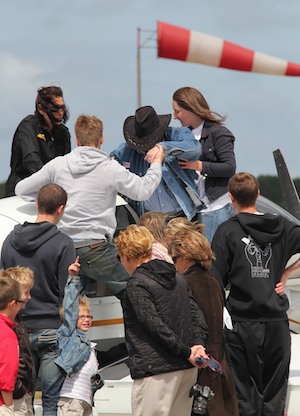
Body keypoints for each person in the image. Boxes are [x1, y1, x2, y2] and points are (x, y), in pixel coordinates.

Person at [15, 114, 164, 297]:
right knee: (137, 291)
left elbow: (21, 189)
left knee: (72, 307)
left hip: (64, 250)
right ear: (101, 139)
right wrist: (157, 164)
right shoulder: (111, 168)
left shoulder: (58, 165)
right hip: (97, 250)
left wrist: (48, 199)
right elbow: (143, 190)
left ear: (77, 140)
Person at [211, 172, 300, 416]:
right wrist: (286, 273)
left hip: (241, 324)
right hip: (276, 322)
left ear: (231, 198)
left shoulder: (227, 231)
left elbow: (213, 279)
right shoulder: (282, 227)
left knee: (245, 395)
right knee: (274, 395)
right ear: (258, 194)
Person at [114, 224, 209, 416]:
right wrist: (198, 345)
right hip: (186, 368)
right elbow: (197, 315)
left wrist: (186, 351)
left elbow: (154, 325)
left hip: (156, 370)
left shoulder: (137, 283)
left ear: (126, 255)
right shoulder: (177, 276)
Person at [1, 183, 76, 416]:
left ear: (36, 204)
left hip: (17, 329)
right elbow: (67, 291)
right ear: (61, 209)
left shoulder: (10, 241)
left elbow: (3, 286)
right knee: (52, 401)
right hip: (51, 327)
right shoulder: (64, 243)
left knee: (24, 398)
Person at [168, 228, 239, 416]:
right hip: (218, 360)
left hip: (200, 361)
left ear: (186, 255)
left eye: (174, 259)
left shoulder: (185, 283)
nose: (174, 264)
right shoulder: (213, 281)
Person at [111, 105, 204, 220]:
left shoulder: (177, 134)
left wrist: (163, 148)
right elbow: (109, 164)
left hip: (181, 216)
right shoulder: (126, 151)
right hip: (147, 219)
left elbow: (195, 148)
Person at [172, 86, 236, 242]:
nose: (175, 116)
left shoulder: (219, 133)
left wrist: (198, 165)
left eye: (177, 111)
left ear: (190, 109)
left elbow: (229, 167)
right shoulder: (179, 136)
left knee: (208, 259)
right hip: (194, 209)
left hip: (215, 207)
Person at [5, 86, 71, 196]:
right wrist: (50, 183)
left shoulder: (63, 133)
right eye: (55, 109)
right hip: (22, 190)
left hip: (51, 191)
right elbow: (31, 160)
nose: (61, 113)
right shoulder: (28, 126)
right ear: (41, 109)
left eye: (62, 108)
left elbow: (65, 164)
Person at [56, 257, 100, 416]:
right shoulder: (69, 334)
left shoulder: (89, 345)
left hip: (84, 400)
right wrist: (73, 279)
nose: (87, 319)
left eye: (89, 316)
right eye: (82, 316)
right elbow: (69, 308)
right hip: (70, 399)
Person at [6, 266, 35, 416]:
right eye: (26, 292)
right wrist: (19, 388)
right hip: (16, 396)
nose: (29, 297)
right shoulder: (9, 324)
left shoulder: (17, 319)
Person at [0, 272, 23, 416]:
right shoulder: (7, 335)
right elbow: (6, 377)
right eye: (20, 302)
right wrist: (9, 407)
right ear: (12, 304)